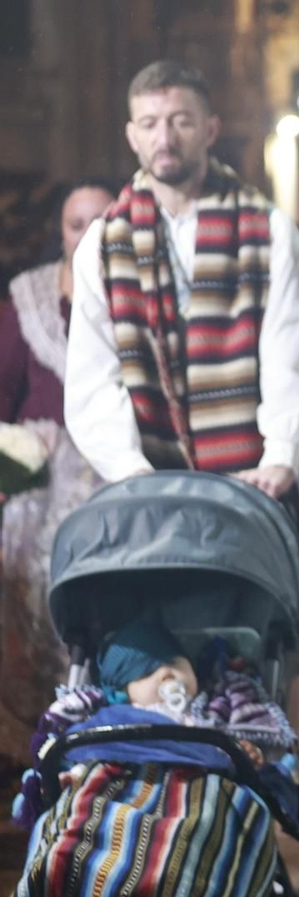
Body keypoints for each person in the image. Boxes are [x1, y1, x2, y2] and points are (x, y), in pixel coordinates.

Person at [65, 60, 299, 499]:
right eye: (149, 124)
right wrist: (129, 469)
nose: (164, 139)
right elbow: (93, 375)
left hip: (253, 482)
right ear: (133, 136)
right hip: (148, 485)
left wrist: (281, 455)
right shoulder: (104, 242)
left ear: (210, 129)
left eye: (181, 122)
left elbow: (289, 353)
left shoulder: (267, 229)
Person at [0, 178, 116, 759]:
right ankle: (27, 746)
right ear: (61, 230)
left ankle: (99, 738)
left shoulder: (141, 295)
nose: (88, 234)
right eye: (76, 223)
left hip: (114, 478)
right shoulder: (28, 300)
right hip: (39, 486)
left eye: (101, 220)